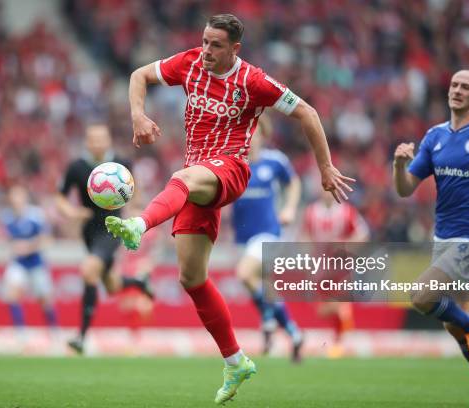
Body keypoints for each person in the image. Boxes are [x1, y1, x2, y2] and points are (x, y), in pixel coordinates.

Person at [104, 14, 354, 404]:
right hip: (197, 182)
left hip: (231, 170)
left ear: (234, 49)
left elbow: (308, 112)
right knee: (192, 278)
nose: (205, 50)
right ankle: (235, 360)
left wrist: (324, 167)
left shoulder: (254, 81)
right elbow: (139, 75)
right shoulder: (188, 62)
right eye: (204, 41)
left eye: (215, 45)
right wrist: (138, 114)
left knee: (182, 178)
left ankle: (139, 223)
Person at [393, 69, 469, 406]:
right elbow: (405, 190)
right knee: (452, 325)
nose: (458, 90)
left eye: (467, 87)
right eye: (455, 85)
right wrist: (399, 165)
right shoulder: (434, 137)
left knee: (421, 295)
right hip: (443, 237)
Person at [56, 123, 152, 355]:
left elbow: (135, 192)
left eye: (102, 138)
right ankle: (139, 283)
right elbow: (60, 197)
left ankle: (81, 337)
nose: (97, 143)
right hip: (89, 230)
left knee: (89, 270)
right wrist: (72, 212)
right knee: (111, 286)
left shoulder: (122, 164)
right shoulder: (77, 167)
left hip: (112, 228)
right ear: (87, 142)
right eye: (93, 139)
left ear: (108, 140)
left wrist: (135, 209)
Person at [231, 115, 304, 362]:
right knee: (263, 285)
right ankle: (294, 333)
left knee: (244, 274)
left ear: (262, 135)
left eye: (255, 134)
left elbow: (294, 182)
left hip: (269, 234)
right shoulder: (233, 164)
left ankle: (266, 317)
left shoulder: (274, 162)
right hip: (243, 237)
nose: (250, 139)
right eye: (246, 134)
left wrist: (290, 208)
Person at [302, 189, 370, 358]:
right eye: (325, 189)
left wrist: (345, 246)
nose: (327, 193)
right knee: (323, 309)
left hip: (341, 267)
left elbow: (363, 234)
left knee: (338, 303)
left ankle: (340, 342)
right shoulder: (311, 211)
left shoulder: (347, 211)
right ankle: (343, 331)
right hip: (320, 267)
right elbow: (304, 236)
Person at [0, 185, 57, 333]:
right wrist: (14, 247)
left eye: (18, 196)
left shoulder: (35, 215)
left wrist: (28, 247)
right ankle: (20, 332)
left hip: (35, 262)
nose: (16, 200)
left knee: (45, 299)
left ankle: (53, 330)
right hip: (18, 262)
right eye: (13, 197)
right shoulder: (7, 217)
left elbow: (46, 238)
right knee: (12, 295)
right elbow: (7, 239)